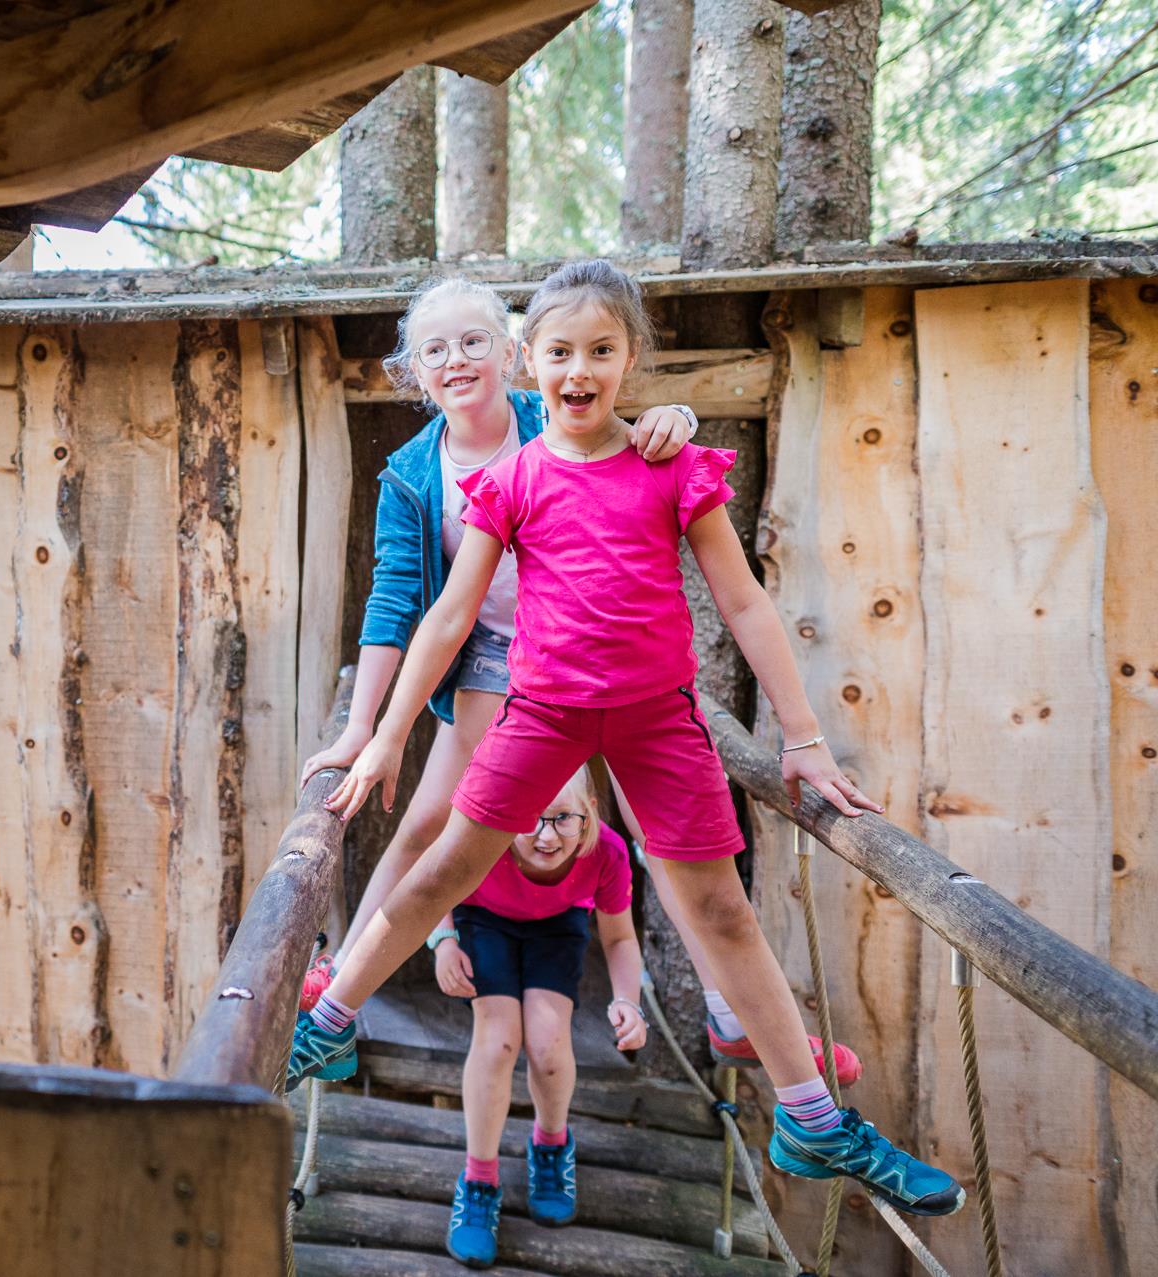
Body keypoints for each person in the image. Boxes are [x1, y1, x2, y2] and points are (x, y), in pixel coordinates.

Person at [288, 259, 963, 1217]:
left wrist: (804, 737)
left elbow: (743, 600)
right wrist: (384, 733)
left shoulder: (672, 465)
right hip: (541, 711)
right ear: (534, 362)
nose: (580, 368)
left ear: (632, 360)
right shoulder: (510, 477)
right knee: (440, 867)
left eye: (602, 350)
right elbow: (441, 617)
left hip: (657, 719)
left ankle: (812, 1117)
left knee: (719, 910)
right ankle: (324, 1024)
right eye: (560, 351)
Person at [431, 773, 644, 1263]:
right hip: (482, 919)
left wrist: (628, 1001)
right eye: (530, 819)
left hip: (557, 926)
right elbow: (434, 878)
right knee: (498, 1040)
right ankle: (479, 1180)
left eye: (563, 819)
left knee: (548, 1045)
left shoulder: (605, 852)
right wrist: (442, 941)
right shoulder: (485, 832)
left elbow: (619, 939)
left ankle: (550, 1144)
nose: (546, 836)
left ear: (589, 810)